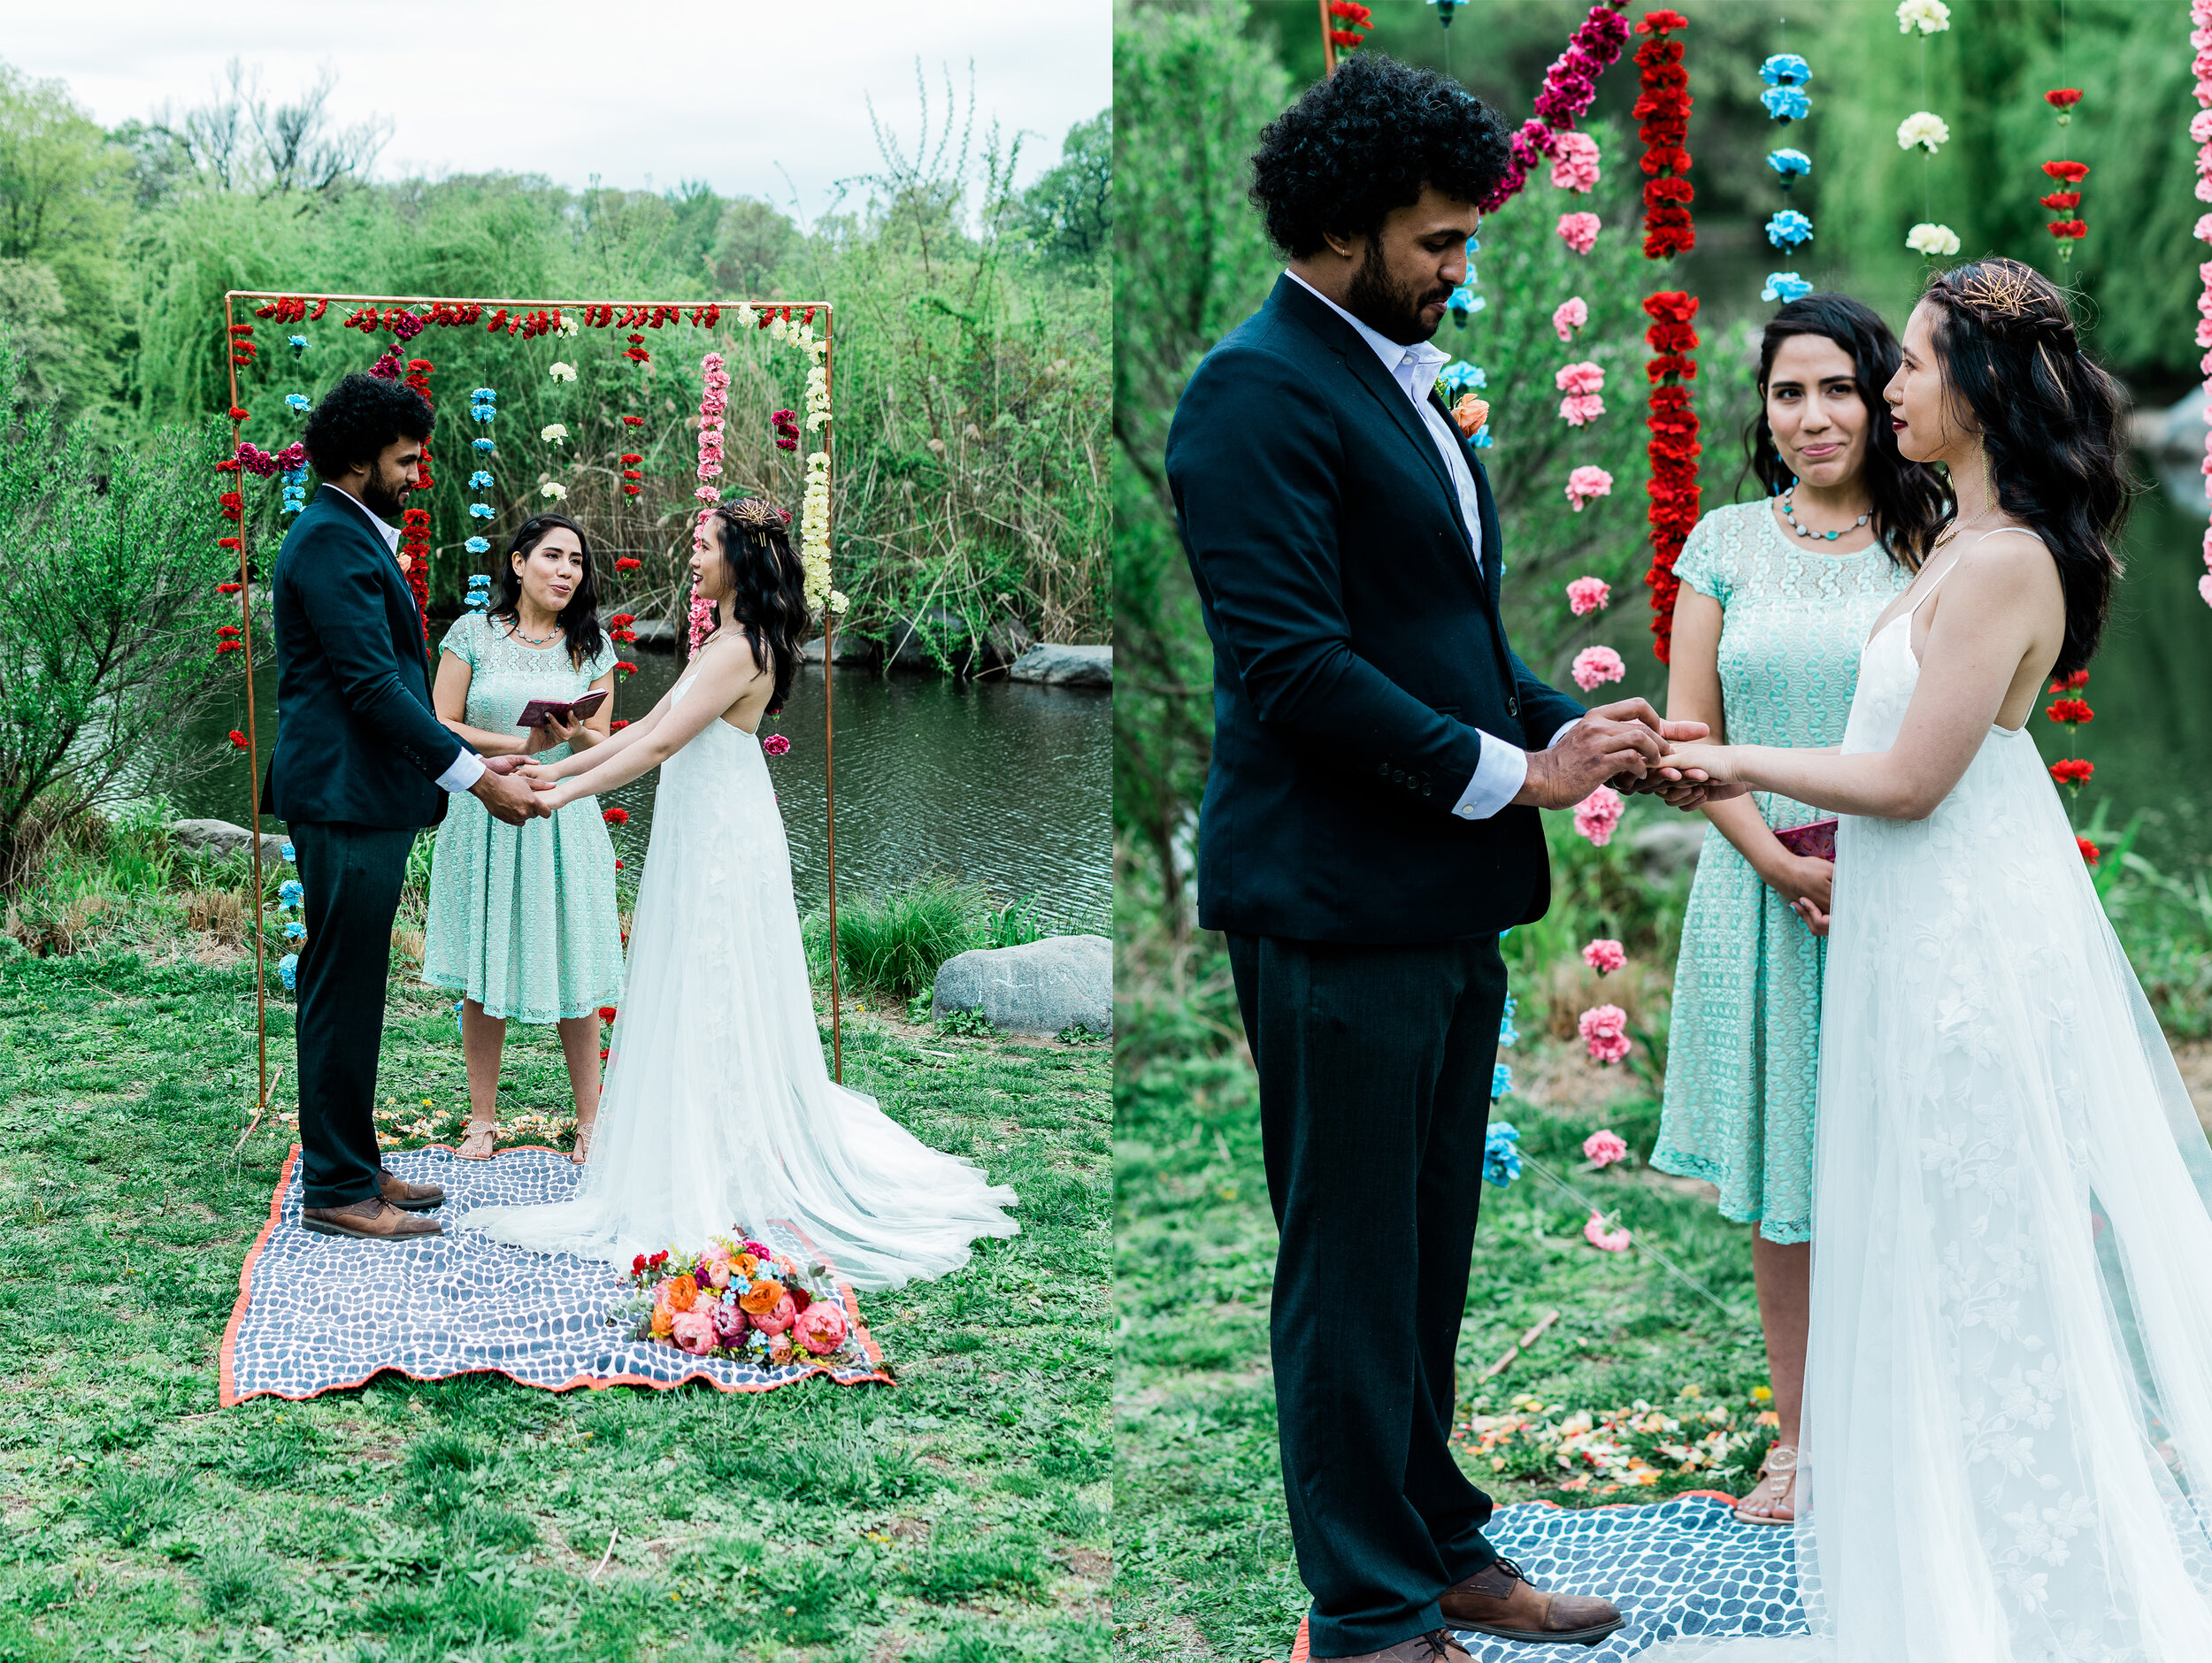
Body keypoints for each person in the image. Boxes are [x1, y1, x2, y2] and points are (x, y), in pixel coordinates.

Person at [1164, 55, 1716, 1663]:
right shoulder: (1250, 393)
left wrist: (1586, 726)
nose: (1462, 271)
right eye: (1439, 243)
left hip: (1437, 898)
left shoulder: (1399, 378)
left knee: (1424, 1256)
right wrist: (1515, 772)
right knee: (1350, 1269)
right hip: (1332, 904)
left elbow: (1449, 635)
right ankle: (1365, 1613)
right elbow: (1294, 668)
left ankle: (1438, 1545)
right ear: (1343, 229)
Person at [1645, 257, 2212, 1660]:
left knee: (1981, 1257)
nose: (1884, 387)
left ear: (1975, 386)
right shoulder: (1957, 541)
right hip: (1906, 939)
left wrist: (1724, 757)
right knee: (1904, 1238)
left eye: (1901, 363)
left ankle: (2024, 1599)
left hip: (1959, 954)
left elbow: (1907, 783)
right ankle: (1928, 1565)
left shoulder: (2006, 560)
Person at [449, 498, 1018, 1287]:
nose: (691, 555)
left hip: (718, 832)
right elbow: (644, 724)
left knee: (713, 974)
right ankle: (708, 1136)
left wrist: (554, 797)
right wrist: (551, 769)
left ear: (738, 561)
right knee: (695, 972)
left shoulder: (739, 647)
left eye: (704, 545)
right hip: (705, 818)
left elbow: (654, 744)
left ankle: (720, 1156)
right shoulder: (724, 638)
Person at [1652, 295, 1947, 1527]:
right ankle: (1803, 1440)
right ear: (1763, 409)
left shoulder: (1937, 542)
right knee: (1794, 1182)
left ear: (1882, 398)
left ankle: (1923, 1427)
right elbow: (1686, 741)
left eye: (1837, 389)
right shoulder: (1721, 542)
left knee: (1916, 1161)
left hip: (1908, 889)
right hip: (1763, 889)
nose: (1813, 416)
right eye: (1788, 393)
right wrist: (1778, 861)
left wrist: (1866, 867)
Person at [268, 372, 547, 1243]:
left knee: (349, 986)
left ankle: (346, 1157)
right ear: (358, 459)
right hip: (344, 799)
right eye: (406, 456)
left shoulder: (350, 534)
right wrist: (474, 775)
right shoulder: (329, 543)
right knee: (339, 989)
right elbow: (373, 689)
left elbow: (386, 687)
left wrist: (491, 754)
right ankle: (338, 1187)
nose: (421, 470)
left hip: (361, 797)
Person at [422, 513, 625, 1164]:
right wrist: (521, 743)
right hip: (483, 809)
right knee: (483, 966)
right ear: (517, 563)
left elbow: (606, 744)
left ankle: (590, 1120)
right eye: (553, 557)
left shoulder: (590, 647)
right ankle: (483, 1120)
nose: (567, 572)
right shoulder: (471, 634)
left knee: (577, 959)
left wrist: (571, 733)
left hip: (563, 815)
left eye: (577, 562)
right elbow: (438, 722)